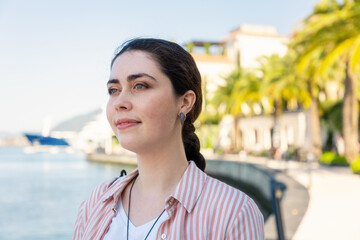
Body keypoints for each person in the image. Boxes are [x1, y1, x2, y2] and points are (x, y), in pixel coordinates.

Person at [73, 38, 264, 240]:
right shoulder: (97, 201)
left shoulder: (233, 212)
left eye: (140, 86)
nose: (120, 102)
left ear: (185, 102)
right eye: (114, 90)